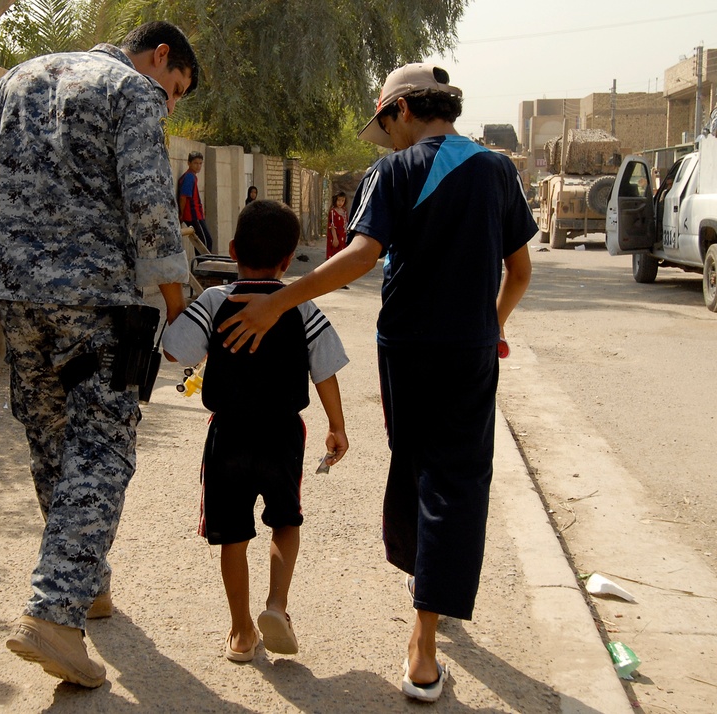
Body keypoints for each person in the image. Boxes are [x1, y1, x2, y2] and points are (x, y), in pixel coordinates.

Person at [215, 63, 534, 703]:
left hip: (407, 352)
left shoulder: (392, 172)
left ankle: (424, 609)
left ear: (398, 111)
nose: (383, 139)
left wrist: (279, 302)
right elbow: (519, 271)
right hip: (468, 351)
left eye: (382, 125)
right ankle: (425, 633)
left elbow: (362, 256)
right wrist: (488, 329)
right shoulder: (499, 171)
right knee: (458, 479)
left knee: (415, 465)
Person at [0, 21, 199, 688]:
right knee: (102, 447)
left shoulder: (23, 75)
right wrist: (177, 302)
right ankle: (54, 614)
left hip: (13, 293)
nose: (169, 102)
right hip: (95, 301)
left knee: (51, 437)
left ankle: (88, 583)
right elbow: (148, 204)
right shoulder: (131, 91)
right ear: (158, 56)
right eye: (175, 88)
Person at [161, 199, 350, 662]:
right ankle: (277, 606)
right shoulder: (299, 307)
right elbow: (325, 369)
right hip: (283, 434)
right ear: (288, 261)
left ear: (231, 250)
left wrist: (174, 306)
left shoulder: (212, 302)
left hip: (227, 435)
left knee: (233, 536)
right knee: (285, 521)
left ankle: (242, 633)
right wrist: (336, 426)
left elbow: (175, 353)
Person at [179, 150, 215, 252]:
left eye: (200, 164)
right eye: (195, 163)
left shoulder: (192, 176)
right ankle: (203, 265)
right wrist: (181, 214)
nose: (198, 166)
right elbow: (183, 197)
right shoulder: (189, 177)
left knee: (201, 242)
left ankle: (201, 265)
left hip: (197, 215)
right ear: (189, 163)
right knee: (205, 242)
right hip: (193, 215)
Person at [326, 191, 348, 260]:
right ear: (335, 200)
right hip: (335, 237)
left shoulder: (344, 211)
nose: (340, 203)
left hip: (343, 237)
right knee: (334, 255)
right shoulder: (333, 212)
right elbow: (332, 226)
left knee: (342, 255)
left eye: (342, 201)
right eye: (339, 200)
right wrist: (335, 238)